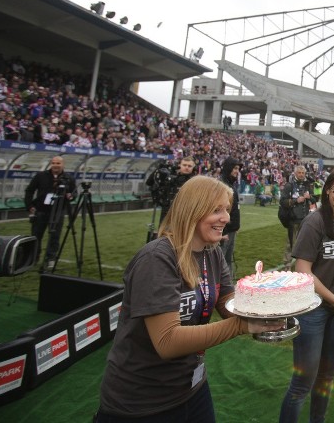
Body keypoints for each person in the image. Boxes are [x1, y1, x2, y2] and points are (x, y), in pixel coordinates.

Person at [96, 176, 282, 421]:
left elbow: (228, 302)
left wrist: (268, 307)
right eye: (216, 210)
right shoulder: (157, 259)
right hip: (142, 400)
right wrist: (241, 325)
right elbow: (167, 342)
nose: (226, 217)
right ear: (192, 210)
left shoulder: (211, 253)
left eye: (226, 209)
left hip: (192, 386)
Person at [279, 167, 334, 423]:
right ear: (327, 191)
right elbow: (303, 270)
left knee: (327, 377)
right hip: (312, 310)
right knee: (303, 381)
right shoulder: (314, 222)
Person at [24, 155, 76, 270]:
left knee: (55, 237)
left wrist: (70, 196)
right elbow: (29, 190)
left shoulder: (69, 178)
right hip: (41, 211)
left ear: (63, 164)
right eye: (53, 163)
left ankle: (50, 259)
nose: (55, 165)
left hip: (58, 212)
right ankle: (33, 258)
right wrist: (29, 206)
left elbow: (74, 193)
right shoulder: (40, 176)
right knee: (36, 236)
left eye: (58, 163)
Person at [279, 165, 317, 266]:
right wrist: (296, 201)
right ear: (295, 173)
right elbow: (282, 201)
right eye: (299, 173)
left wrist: (310, 197)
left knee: (306, 243)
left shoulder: (308, 185)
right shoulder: (289, 185)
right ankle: (287, 265)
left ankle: (302, 265)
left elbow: (315, 200)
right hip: (293, 219)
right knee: (291, 243)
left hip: (306, 220)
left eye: (303, 173)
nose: (301, 175)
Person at [147, 156, 197, 228]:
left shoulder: (196, 181)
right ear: (179, 165)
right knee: (163, 236)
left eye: (189, 166)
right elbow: (149, 182)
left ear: (193, 168)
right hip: (167, 213)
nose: (186, 167)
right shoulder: (171, 178)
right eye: (184, 165)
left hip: (184, 215)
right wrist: (158, 169)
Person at [218, 157, 241, 277]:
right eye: (235, 168)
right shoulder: (221, 184)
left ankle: (228, 287)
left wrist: (235, 227)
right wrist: (222, 231)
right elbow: (218, 210)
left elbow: (234, 209)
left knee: (228, 260)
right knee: (220, 262)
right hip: (224, 231)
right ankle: (219, 288)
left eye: (238, 168)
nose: (237, 171)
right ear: (228, 168)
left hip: (231, 229)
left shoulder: (231, 184)